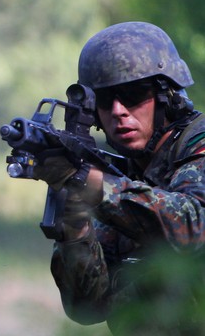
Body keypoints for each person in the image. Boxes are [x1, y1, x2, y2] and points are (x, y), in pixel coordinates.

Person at [32, 21, 205, 334]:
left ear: (167, 95)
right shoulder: (126, 172)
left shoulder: (197, 144)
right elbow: (88, 307)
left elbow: (192, 225)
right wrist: (75, 224)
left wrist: (94, 184)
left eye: (133, 95)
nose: (118, 111)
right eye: (104, 99)